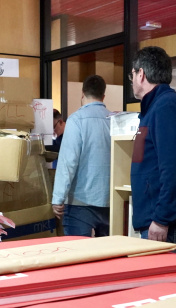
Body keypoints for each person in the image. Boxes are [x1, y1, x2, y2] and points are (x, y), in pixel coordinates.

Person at [128, 46, 176, 250]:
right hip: (154, 220)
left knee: (160, 282)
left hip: (162, 224)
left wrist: (162, 219)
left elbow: (174, 169)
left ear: (141, 74)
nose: (131, 80)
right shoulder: (154, 108)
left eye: (132, 74)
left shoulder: (166, 107)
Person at [51, 75, 111, 237]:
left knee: (77, 254)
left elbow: (68, 162)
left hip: (80, 202)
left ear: (82, 93)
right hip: (110, 201)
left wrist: (58, 198)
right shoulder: (114, 120)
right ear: (103, 96)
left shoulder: (76, 120)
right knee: (108, 257)